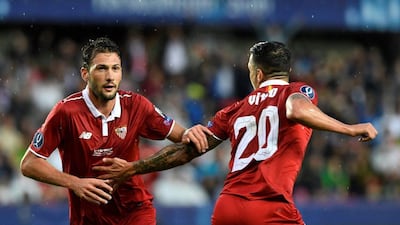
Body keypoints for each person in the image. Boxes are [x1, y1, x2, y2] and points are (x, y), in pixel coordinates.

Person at [93, 41, 378, 225]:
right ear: (287, 71)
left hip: (227, 206)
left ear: (257, 75)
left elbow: (187, 151)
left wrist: (133, 168)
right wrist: (350, 128)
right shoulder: (297, 91)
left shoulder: (233, 110)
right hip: (270, 206)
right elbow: (296, 109)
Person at [19, 37, 210, 225]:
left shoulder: (136, 105)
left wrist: (189, 134)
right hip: (87, 218)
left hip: (134, 212)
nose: (110, 76)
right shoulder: (66, 112)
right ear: (85, 74)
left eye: (115, 68)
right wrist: (75, 183)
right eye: (101, 68)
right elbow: (29, 163)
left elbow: (182, 135)